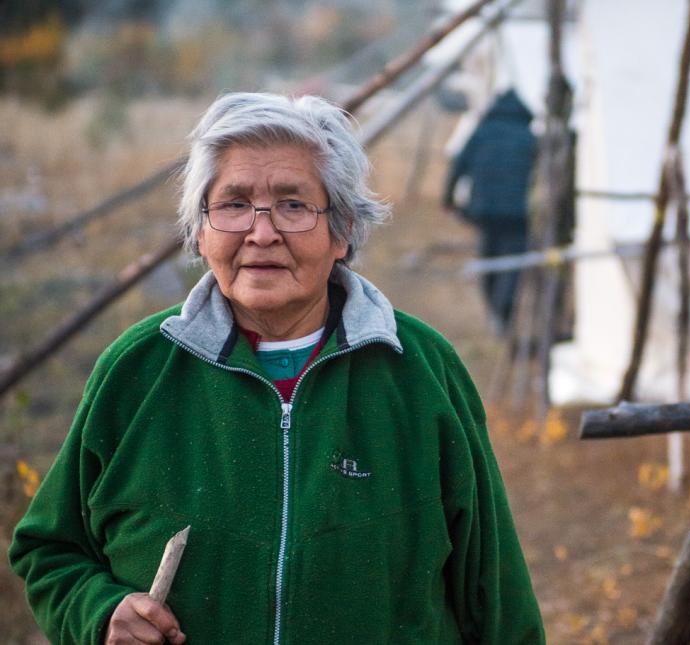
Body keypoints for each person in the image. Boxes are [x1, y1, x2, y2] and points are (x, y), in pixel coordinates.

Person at [9, 92, 545, 644]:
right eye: (234, 205)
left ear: (342, 233)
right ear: (200, 231)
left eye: (293, 205)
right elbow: (50, 551)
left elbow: (496, 594)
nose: (261, 234)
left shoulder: (420, 372)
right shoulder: (137, 370)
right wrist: (101, 613)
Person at [442, 89, 536, 333]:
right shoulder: (528, 136)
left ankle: (495, 311)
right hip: (517, 213)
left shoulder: (482, 132)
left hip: (483, 209)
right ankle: (502, 312)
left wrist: (448, 199)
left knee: (489, 257)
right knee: (511, 264)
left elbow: (458, 165)